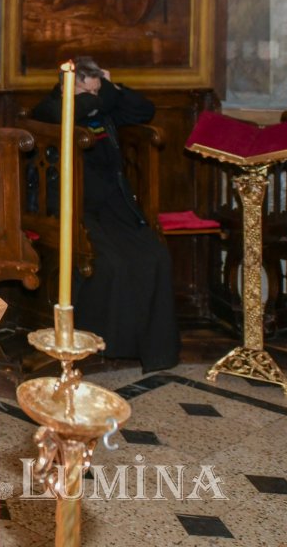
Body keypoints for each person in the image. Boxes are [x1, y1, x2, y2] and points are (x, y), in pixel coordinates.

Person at [31, 55, 179, 372]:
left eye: (99, 87)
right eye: (89, 87)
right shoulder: (50, 107)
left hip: (114, 205)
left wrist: (114, 89)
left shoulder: (104, 101)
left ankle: (153, 351)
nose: (95, 95)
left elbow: (144, 110)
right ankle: (99, 343)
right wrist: (95, 98)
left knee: (155, 256)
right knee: (110, 262)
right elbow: (73, 112)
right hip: (73, 207)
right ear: (70, 84)